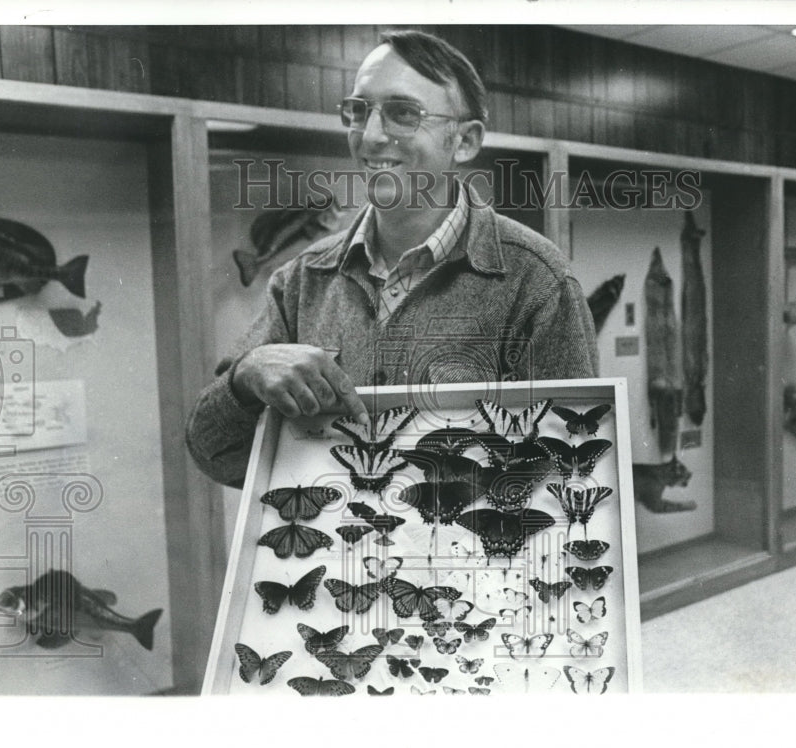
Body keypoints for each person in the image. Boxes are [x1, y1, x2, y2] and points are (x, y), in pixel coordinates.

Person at [186, 30, 598, 487]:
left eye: (403, 113)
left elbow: (574, 470)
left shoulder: (536, 281)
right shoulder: (303, 281)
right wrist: (246, 377)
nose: (372, 135)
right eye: (359, 111)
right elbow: (212, 453)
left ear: (464, 140)